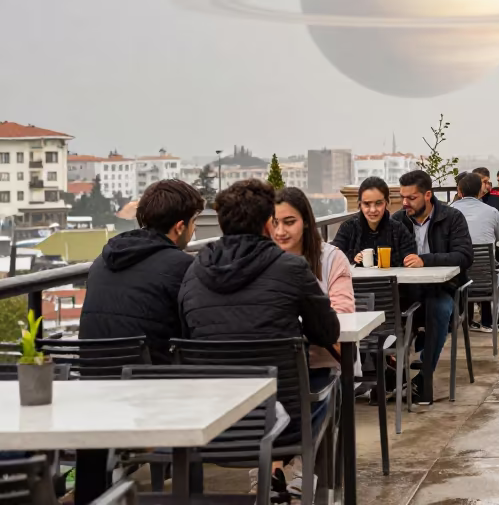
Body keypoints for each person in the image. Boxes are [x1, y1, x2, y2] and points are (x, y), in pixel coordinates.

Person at [180, 179, 341, 437]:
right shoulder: (292, 268)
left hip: (211, 426)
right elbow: (327, 333)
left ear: (221, 224)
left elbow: (185, 337)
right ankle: (283, 467)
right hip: (282, 423)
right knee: (332, 384)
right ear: (268, 223)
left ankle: (276, 468)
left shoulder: (192, 273)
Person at [80, 179, 204, 364]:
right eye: (194, 222)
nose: (194, 229)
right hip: (151, 381)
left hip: (94, 376)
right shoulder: (183, 266)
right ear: (179, 227)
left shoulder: (102, 261)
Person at [391, 170, 472, 403]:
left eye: (411, 198)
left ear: (427, 195)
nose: (405, 203)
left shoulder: (452, 218)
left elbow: (464, 256)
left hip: (444, 289)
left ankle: (424, 378)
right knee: (381, 309)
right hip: (407, 292)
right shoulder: (397, 221)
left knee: (439, 308)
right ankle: (388, 375)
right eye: (402, 197)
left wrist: (425, 260)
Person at [273, 187, 354, 372]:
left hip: (322, 365)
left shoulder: (332, 258)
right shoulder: (264, 259)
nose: (280, 231)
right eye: (275, 223)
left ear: (306, 222)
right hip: (277, 365)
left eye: (289, 222)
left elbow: (343, 313)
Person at [449, 173, 499, 332]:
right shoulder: (491, 212)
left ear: (459, 191)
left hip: (457, 280)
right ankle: (491, 318)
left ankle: (465, 319)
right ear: (481, 191)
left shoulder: (449, 212)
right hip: (486, 279)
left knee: (468, 266)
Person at [331, 177, 420, 269]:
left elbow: (410, 261)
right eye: (367, 204)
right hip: (356, 283)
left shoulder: (399, 230)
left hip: (391, 282)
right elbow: (333, 255)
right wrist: (352, 259)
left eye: (378, 203)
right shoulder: (348, 228)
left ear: (387, 202)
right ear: (359, 204)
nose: (373, 210)